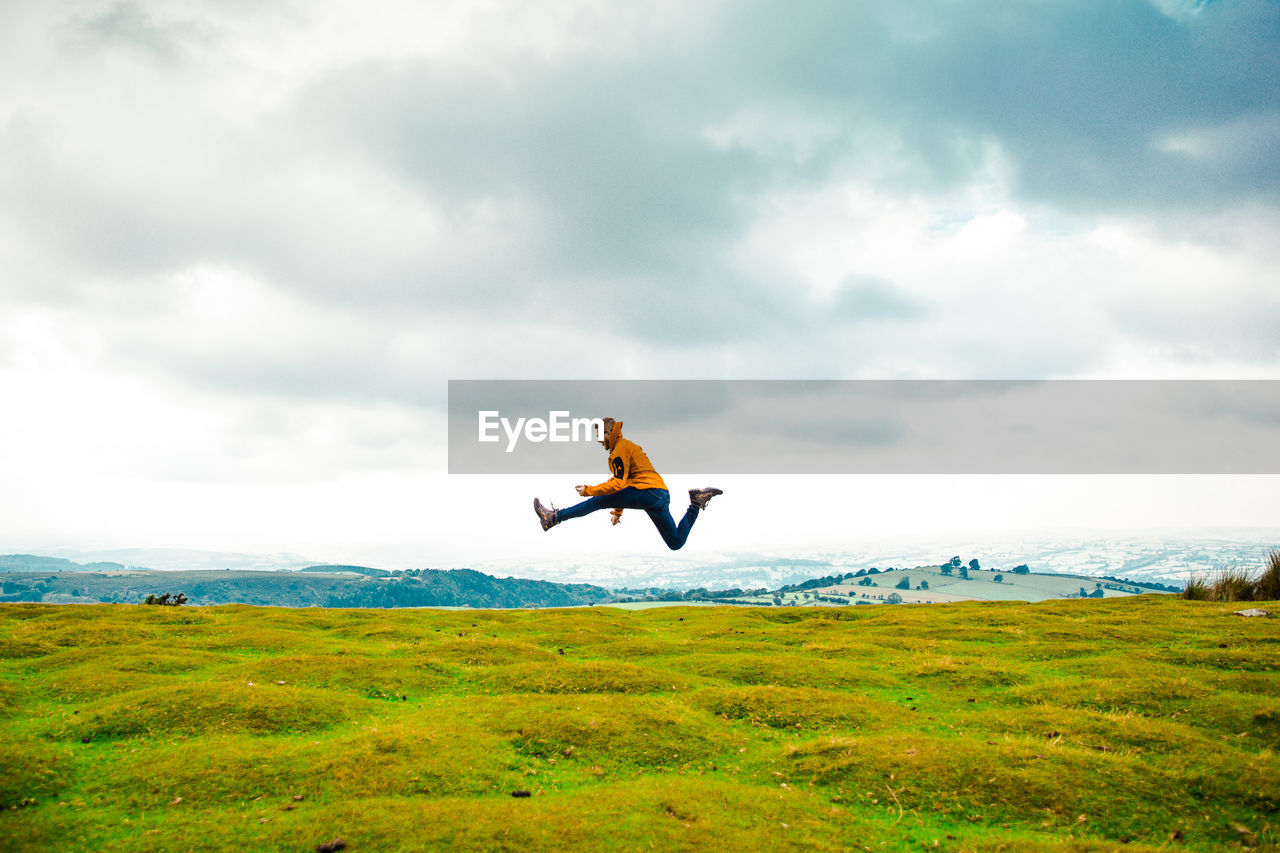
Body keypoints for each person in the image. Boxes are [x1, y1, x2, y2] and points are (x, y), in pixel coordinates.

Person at [533, 418, 722, 550]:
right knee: (675, 543)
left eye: (599, 435)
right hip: (660, 495)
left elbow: (618, 484)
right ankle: (696, 503)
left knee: (597, 500)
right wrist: (617, 511)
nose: (598, 440)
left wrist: (590, 490)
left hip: (648, 493)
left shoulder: (619, 450)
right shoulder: (625, 447)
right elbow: (624, 485)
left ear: (608, 433)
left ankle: (553, 517)